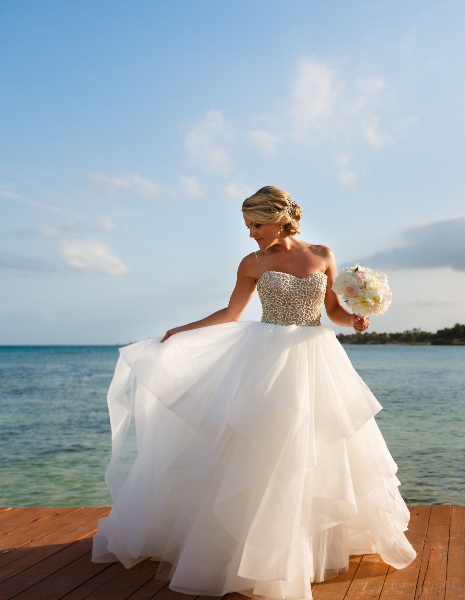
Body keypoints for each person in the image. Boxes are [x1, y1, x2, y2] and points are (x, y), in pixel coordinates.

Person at [92, 186, 416, 599]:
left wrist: (353, 319)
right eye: (247, 226)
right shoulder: (252, 263)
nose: (250, 234)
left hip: (315, 358)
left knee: (318, 449)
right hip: (265, 360)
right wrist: (181, 331)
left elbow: (331, 311)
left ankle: (303, 543)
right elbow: (232, 313)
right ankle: (254, 551)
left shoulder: (323, 254)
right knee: (262, 451)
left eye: (256, 224)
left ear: (279, 218)